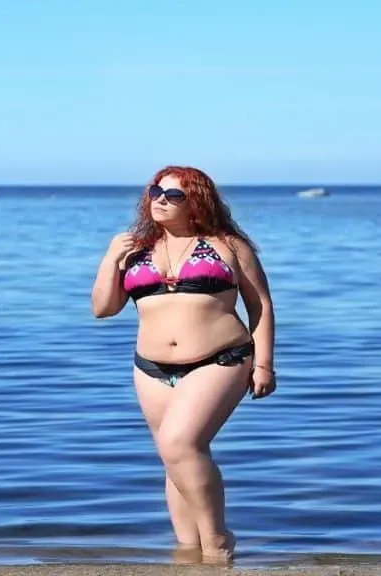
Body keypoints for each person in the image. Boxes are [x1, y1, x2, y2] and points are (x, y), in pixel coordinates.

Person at [90, 165, 276, 562]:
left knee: (180, 444)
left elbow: (259, 305)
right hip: (151, 368)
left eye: (173, 195)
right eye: (156, 190)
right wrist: (110, 259)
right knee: (174, 456)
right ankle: (188, 552)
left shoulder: (228, 245)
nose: (160, 199)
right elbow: (103, 309)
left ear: (196, 202)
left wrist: (264, 364)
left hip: (220, 359)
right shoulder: (135, 248)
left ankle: (217, 542)